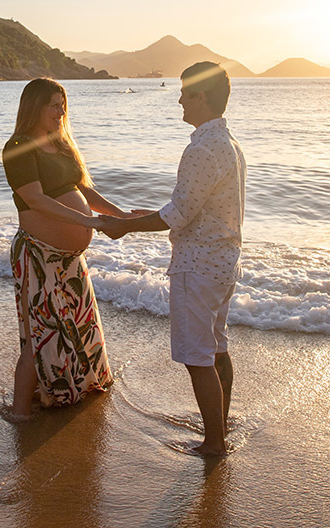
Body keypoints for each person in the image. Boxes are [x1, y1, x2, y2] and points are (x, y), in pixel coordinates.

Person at [99, 61, 246, 456]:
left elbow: (179, 215)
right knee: (216, 347)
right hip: (223, 262)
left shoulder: (201, 148)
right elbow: (193, 207)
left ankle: (213, 442)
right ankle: (221, 426)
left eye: (185, 92)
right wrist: (139, 216)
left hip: (197, 267)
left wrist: (124, 226)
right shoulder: (228, 144)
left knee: (198, 358)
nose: (179, 98)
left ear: (201, 96)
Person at [2, 77, 145, 420]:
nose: (61, 111)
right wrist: (91, 224)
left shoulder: (60, 144)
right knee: (41, 338)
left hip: (69, 260)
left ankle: (69, 394)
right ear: (35, 106)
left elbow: (83, 191)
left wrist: (119, 215)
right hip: (38, 255)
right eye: (54, 104)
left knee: (80, 328)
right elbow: (35, 200)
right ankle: (19, 415)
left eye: (62, 104)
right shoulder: (19, 146)